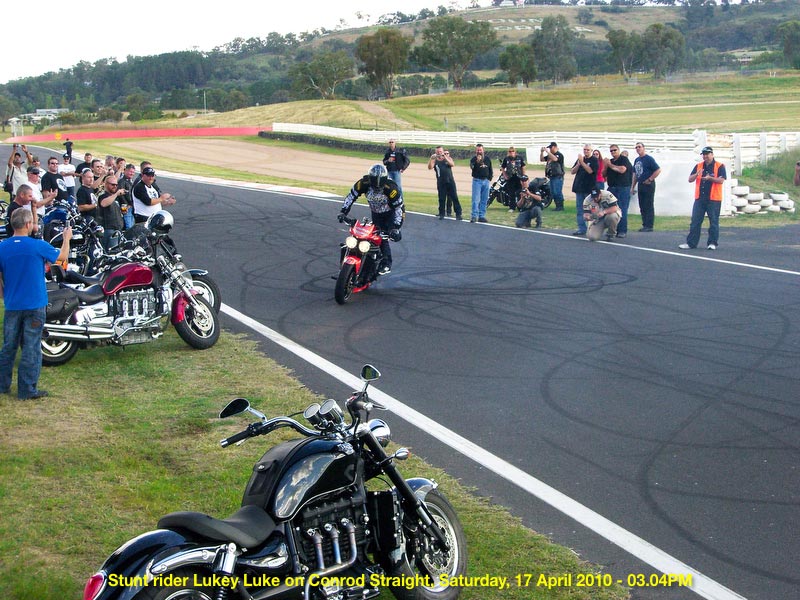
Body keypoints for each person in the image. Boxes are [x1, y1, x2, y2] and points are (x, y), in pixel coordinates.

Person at [0, 208, 72, 400]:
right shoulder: (37, 246)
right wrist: (66, 238)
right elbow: (62, 257)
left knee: (9, 346)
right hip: (34, 303)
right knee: (31, 346)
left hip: (13, 304)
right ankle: (27, 389)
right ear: (27, 225)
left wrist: (3, 293)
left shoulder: (3, 247)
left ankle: (2, 384)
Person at [338, 164, 403, 275]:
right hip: (376, 213)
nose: (377, 188)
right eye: (374, 185)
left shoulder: (391, 188)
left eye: (380, 186)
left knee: (383, 237)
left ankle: (386, 263)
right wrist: (343, 212)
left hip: (391, 214)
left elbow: (399, 208)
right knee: (369, 234)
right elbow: (351, 196)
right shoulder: (363, 183)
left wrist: (396, 227)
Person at [679, 146, 727, 251]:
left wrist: (710, 178)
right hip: (700, 198)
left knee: (713, 222)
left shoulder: (720, 166)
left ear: (712, 154)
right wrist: (696, 174)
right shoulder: (699, 166)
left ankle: (712, 243)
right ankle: (691, 243)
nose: (705, 156)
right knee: (695, 221)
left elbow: (721, 180)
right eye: (704, 154)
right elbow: (690, 179)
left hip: (714, 199)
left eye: (707, 154)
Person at [631, 142, 661, 232]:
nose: (638, 148)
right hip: (640, 184)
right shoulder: (637, 160)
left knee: (648, 204)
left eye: (639, 147)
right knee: (642, 205)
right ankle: (645, 224)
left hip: (648, 184)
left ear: (644, 148)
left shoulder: (649, 159)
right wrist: (632, 186)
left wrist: (650, 179)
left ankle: (649, 225)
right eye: (636, 147)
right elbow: (635, 174)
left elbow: (658, 170)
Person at [604, 145, 633, 238]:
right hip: (612, 187)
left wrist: (609, 165)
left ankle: (622, 230)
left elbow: (622, 170)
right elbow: (604, 174)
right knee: (610, 209)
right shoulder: (611, 161)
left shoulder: (623, 159)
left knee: (622, 209)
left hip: (622, 188)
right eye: (611, 151)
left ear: (618, 150)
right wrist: (605, 166)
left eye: (614, 150)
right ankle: (612, 229)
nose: (613, 152)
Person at [570, 144, 598, 236]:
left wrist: (582, 162)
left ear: (591, 151)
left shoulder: (594, 160)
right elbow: (572, 171)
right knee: (580, 209)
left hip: (589, 188)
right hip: (579, 188)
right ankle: (581, 228)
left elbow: (590, 171)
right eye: (584, 149)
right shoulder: (580, 160)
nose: (586, 151)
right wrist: (579, 163)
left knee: (591, 209)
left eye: (588, 150)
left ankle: (593, 228)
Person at [428, 146, 462, 220]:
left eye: (440, 151)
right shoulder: (435, 160)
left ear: (443, 151)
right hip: (441, 182)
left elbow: (452, 164)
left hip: (450, 181)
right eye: (437, 152)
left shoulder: (448, 158)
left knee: (454, 197)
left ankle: (458, 214)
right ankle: (441, 213)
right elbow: (430, 167)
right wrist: (431, 158)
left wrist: (445, 157)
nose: (439, 153)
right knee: (441, 198)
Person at [469, 144, 493, 223]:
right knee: (476, 199)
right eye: (478, 150)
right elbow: (472, 167)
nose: (479, 151)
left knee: (484, 199)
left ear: (483, 150)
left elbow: (490, 169)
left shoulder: (487, 159)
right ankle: (474, 216)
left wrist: (489, 178)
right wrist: (477, 162)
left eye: (480, 150)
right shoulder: (473, 159)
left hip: (486, 181)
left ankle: (481, 216)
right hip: (477, 181)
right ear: (476, 151)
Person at [540, 142, 565, 211]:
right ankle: (557, 206)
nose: (550, 149)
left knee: (557, 192)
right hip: (551, 176)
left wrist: (548, 152)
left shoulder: (559, 155)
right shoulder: (550, 156)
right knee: (553, 192)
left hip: (558, 176)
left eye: (551, 148)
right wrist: (542, 152)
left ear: (554, 147)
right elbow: (542, 159)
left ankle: (560, 206)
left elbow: (555, 159)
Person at [501, 146, 526, 213]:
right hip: (510, 177)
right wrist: (505, 175)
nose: (511, 152)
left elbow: (523, 166)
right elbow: (502, 167)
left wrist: (523, 176)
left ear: (515, 152)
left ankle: (520, 207)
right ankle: (512, 207)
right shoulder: (506, 159)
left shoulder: (519, 158)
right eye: (510, 151)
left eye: (513, 151)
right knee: (511, 193)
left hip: (518, 177)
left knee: (519, 192)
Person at [117, 163, 137, 229]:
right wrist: (126, 206)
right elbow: (121, 196)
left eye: (133, 172)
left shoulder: (131, 182)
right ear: (125, 171)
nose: (132, 173)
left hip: (131, 206)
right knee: (128, 224)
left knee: (132, 224)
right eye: (130, 171)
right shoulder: (122, 181)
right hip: (125, 206)